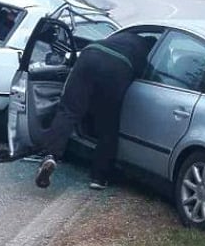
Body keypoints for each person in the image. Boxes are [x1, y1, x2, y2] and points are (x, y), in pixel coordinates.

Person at [34, 32, 156, 190]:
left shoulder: (126, 36)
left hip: (91, 53)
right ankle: (99, 177)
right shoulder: (146, 53)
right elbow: (149, 75)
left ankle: (50, 155)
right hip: (118, 67)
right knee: (109, 125)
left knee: (68, 111)